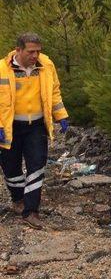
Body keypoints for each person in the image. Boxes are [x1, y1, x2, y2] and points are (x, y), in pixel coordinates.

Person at [0, 33, 69, 229]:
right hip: (10, 126)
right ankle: (18, 199)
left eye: (38, 51)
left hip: (36, 126)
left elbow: (54, 91)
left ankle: (31, 211)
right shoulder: (2, 69)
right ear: (18, 50)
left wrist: (61, 115)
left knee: (37, 165)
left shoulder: (46, 65)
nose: (35, 55)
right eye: (31, 52)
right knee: (10, 167)